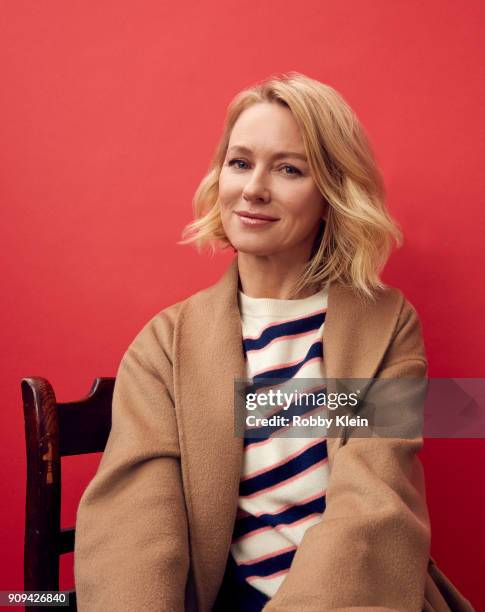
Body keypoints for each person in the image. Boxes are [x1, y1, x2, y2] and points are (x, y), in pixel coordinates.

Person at [74, 72, 474, 611]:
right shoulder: (165, 344)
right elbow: (136, 525)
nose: (254, 188)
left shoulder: (387, 326)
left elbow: (372, 503)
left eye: (289, 169)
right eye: (240, 163)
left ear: (332, 194)